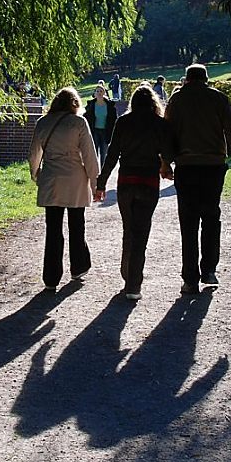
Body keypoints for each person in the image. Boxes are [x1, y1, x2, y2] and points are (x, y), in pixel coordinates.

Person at [162, 63, 231, 294]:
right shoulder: (218, 98)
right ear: (206, 78)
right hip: (213, 166)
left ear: (186, 79)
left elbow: (168, 134)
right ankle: (210, 269)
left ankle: (189, 278)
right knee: (211, 216)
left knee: (188, 222)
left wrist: (165, 163)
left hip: (186, 166)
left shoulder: (176, 100)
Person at [95, 85, 173, 301]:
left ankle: (127, 272)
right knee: (142, 232)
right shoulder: (160, 124)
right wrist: (165, 165)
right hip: (148, 182)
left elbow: (111, 155)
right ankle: (133, 283)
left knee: (128, 228)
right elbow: (168, 152)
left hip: (126, 182)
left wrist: (101, 184)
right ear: (153, 102)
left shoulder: (123, 122)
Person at [28, 87, 99, 290]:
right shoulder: (78, 123)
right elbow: (89, 155)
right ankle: (78, 266)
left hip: (51, 178)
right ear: (74, 103)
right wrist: (95, 183)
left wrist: (36, 175)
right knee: (77, 224)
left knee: (53, 228)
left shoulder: (43, 123)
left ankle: (51, 277)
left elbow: (34, 154)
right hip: (75, 178)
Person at [84, 85, 117, 167]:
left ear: (104, 93)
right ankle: (94, 172)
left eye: (101, 91)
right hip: (94, 131)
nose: (99, 93)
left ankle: (102, 174)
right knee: (94, 154)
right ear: (94, 93)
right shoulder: (91, 105)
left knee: (104, 154)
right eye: (97, 91)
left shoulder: (109, 106)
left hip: (105, 132)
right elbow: (86, 119)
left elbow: (114, 120)